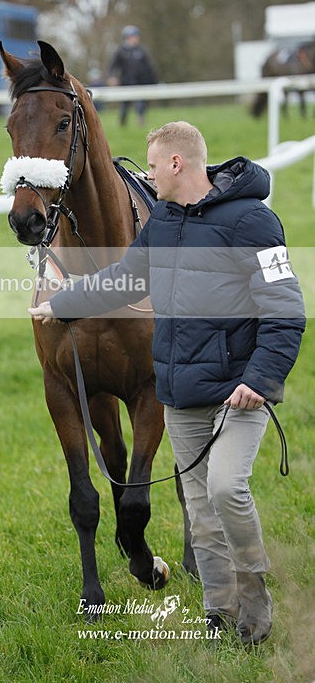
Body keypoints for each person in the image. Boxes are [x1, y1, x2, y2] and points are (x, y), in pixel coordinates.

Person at [29, 121, 305, 646]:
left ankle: (255, 600)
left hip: (237, 391)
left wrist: (262, 378)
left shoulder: (256, 222)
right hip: (178, 393)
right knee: (199, 511)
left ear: (177, 164)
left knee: (226, 490)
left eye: (152, 167)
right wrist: (58, 304)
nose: (147, 177)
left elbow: (286, 308)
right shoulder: (163, 224)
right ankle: (218, 614)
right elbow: (122, 278)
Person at [107, 25, 158, 126]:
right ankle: (122, 123)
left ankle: (141, 121)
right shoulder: (121, 51)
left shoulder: (142, 51)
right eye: (132, 37)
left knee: (141, 104)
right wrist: (112, 77)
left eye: (136, 36)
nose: (135, 39)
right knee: (125, 105)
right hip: (126, 83)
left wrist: (153, 81)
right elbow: (113, 66)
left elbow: (149, 68)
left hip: (140, 83)